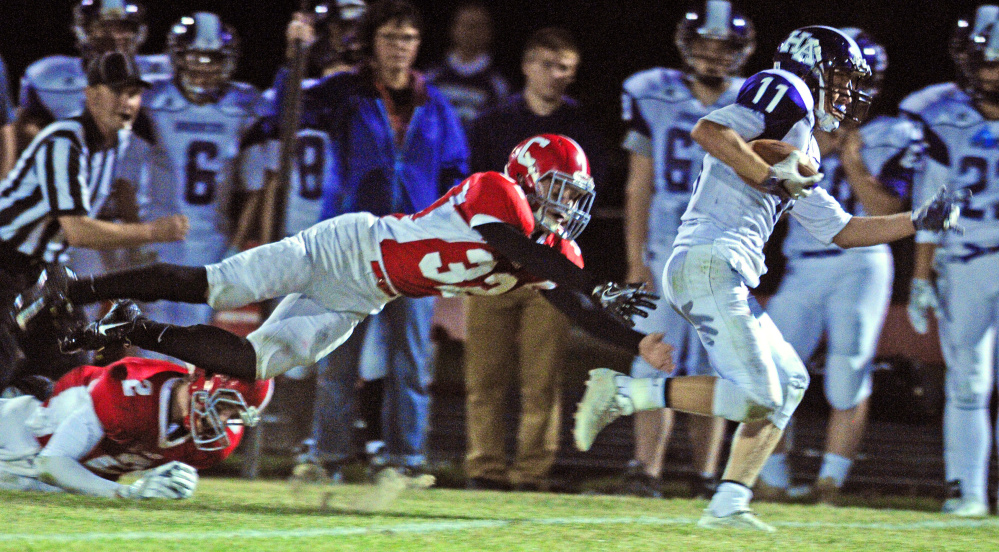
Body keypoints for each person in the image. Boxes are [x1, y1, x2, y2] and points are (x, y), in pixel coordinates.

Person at [572, 26, 964, 531]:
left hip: (720, 267)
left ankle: (730, 503)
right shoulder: (785, 87)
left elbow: (840, 230)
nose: (846, 92)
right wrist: (769, 174)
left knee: (792, 380)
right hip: (710, 258)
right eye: (840, 77)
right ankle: (627, 393)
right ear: (813, 67)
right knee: (757, 394)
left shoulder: (802, 138)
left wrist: (918, 220)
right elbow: (709, 132)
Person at [42, 135, 670, 417]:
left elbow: (574, 306)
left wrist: (635, 343)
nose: (568, 205)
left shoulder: (561, 254)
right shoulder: (498, 191)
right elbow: (521, 251)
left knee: (257, 363)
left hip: (367, 293)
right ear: (531, 179)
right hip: (344, 248)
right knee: (222, 284)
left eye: (575, 193)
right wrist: (590, 283)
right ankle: (82, 288)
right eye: (558, 189)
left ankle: (129, 326)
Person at [756, 28, 919, 504]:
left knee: (848, 372)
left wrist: (851, 158)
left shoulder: (892, 133)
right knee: (772, 369)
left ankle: (830, 482)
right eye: (838, 76)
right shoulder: (795, 123)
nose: (846, 88)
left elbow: (883, 206)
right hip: (804, 263)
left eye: (853, 78)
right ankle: (774, 476)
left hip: (862, 261)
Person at [461, 27, 608, 492]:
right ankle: (484, 467)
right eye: (545, 63)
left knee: (540, 380)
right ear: (526, 65)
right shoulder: (491, 123)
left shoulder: (583, 127)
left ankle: (530, 471)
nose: (553, 74)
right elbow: (470, 193)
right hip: (492, 261)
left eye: (563, 66)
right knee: (484, 376)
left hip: (549, 261)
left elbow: (590, 200)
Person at [619, 0, 754, 499]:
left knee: (717, 365)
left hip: (723, 250)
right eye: (704, 46)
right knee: (655, 357)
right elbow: (640, 183)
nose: (714, 57)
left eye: (724, 48)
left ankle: (706, 475)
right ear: (686, 46)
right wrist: (635, 258)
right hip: (665, 248)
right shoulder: (652, 92)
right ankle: (644, 470)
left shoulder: (754, 101)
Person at [0, 51, 189, 393]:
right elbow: (77, 229)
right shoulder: (64, 140)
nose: (126, 102)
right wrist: (152, 232)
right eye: (117, 91)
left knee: (70, 369)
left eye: (133, 93)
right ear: (90, 94)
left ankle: (34, 437)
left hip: (41, 266)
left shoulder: (117, 142)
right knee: (5, 360)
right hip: (6, 260)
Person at [117, 12, 269, 341]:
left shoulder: (243, 106)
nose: (202, 67)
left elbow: (256, 187)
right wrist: (137, 236)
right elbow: (124, 179)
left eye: (212, 59)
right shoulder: (155, 101)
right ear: (177, 58)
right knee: (151, 338)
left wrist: (237, 244)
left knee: (192, 341)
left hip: (211, 241)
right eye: (194, 57)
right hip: (159, 234)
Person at [902, 5, 999, 517]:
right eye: (986, 63)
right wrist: (921, 277)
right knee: (968, 382)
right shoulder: (941, 113)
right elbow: (932, 201)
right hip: (964, 261)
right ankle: (968, 492)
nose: (994, 74)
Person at [0, 354, 273, 498]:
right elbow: (53, 464)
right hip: (17, 438)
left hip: (52, 479)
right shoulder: (131, 391)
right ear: (203, 379)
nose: (223, 421)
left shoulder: (213, 445)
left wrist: (171, 482)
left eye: (234, 413)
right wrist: (125, 493)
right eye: (222, 405)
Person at [424, 3, 510, 130]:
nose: (470, 32)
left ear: (488, 32)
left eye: (477, 26)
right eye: (465, 25)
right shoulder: (432, 77)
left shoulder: (497, 85)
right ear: (453, 29)